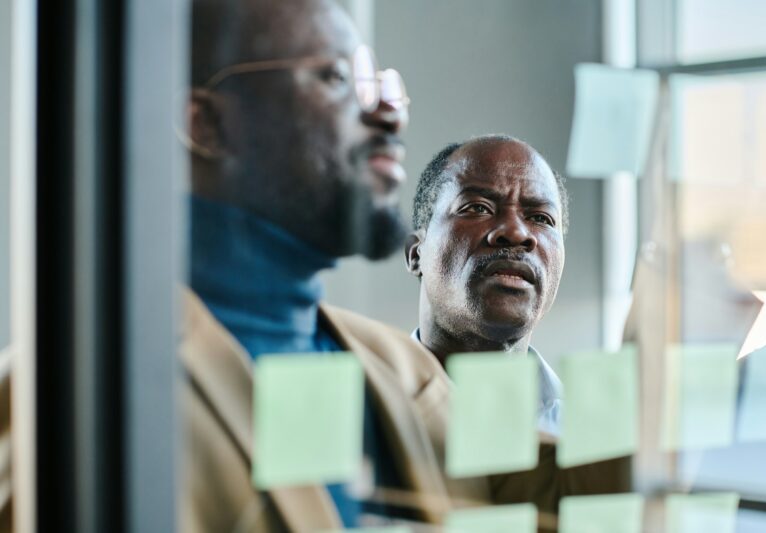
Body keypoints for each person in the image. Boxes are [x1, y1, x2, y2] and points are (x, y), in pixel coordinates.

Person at [183, 1, 543, 531]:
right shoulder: (82, 389)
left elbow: (532, 491)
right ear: (207, 123)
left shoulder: (394, 365)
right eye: (334, 76)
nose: (388, 114)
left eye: (379, 85)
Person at [404, 134, 631, 519]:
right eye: (476, 207)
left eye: (541, 218)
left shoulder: (599, 441)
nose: (516, 232)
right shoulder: (361, 412)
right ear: (416, 254)